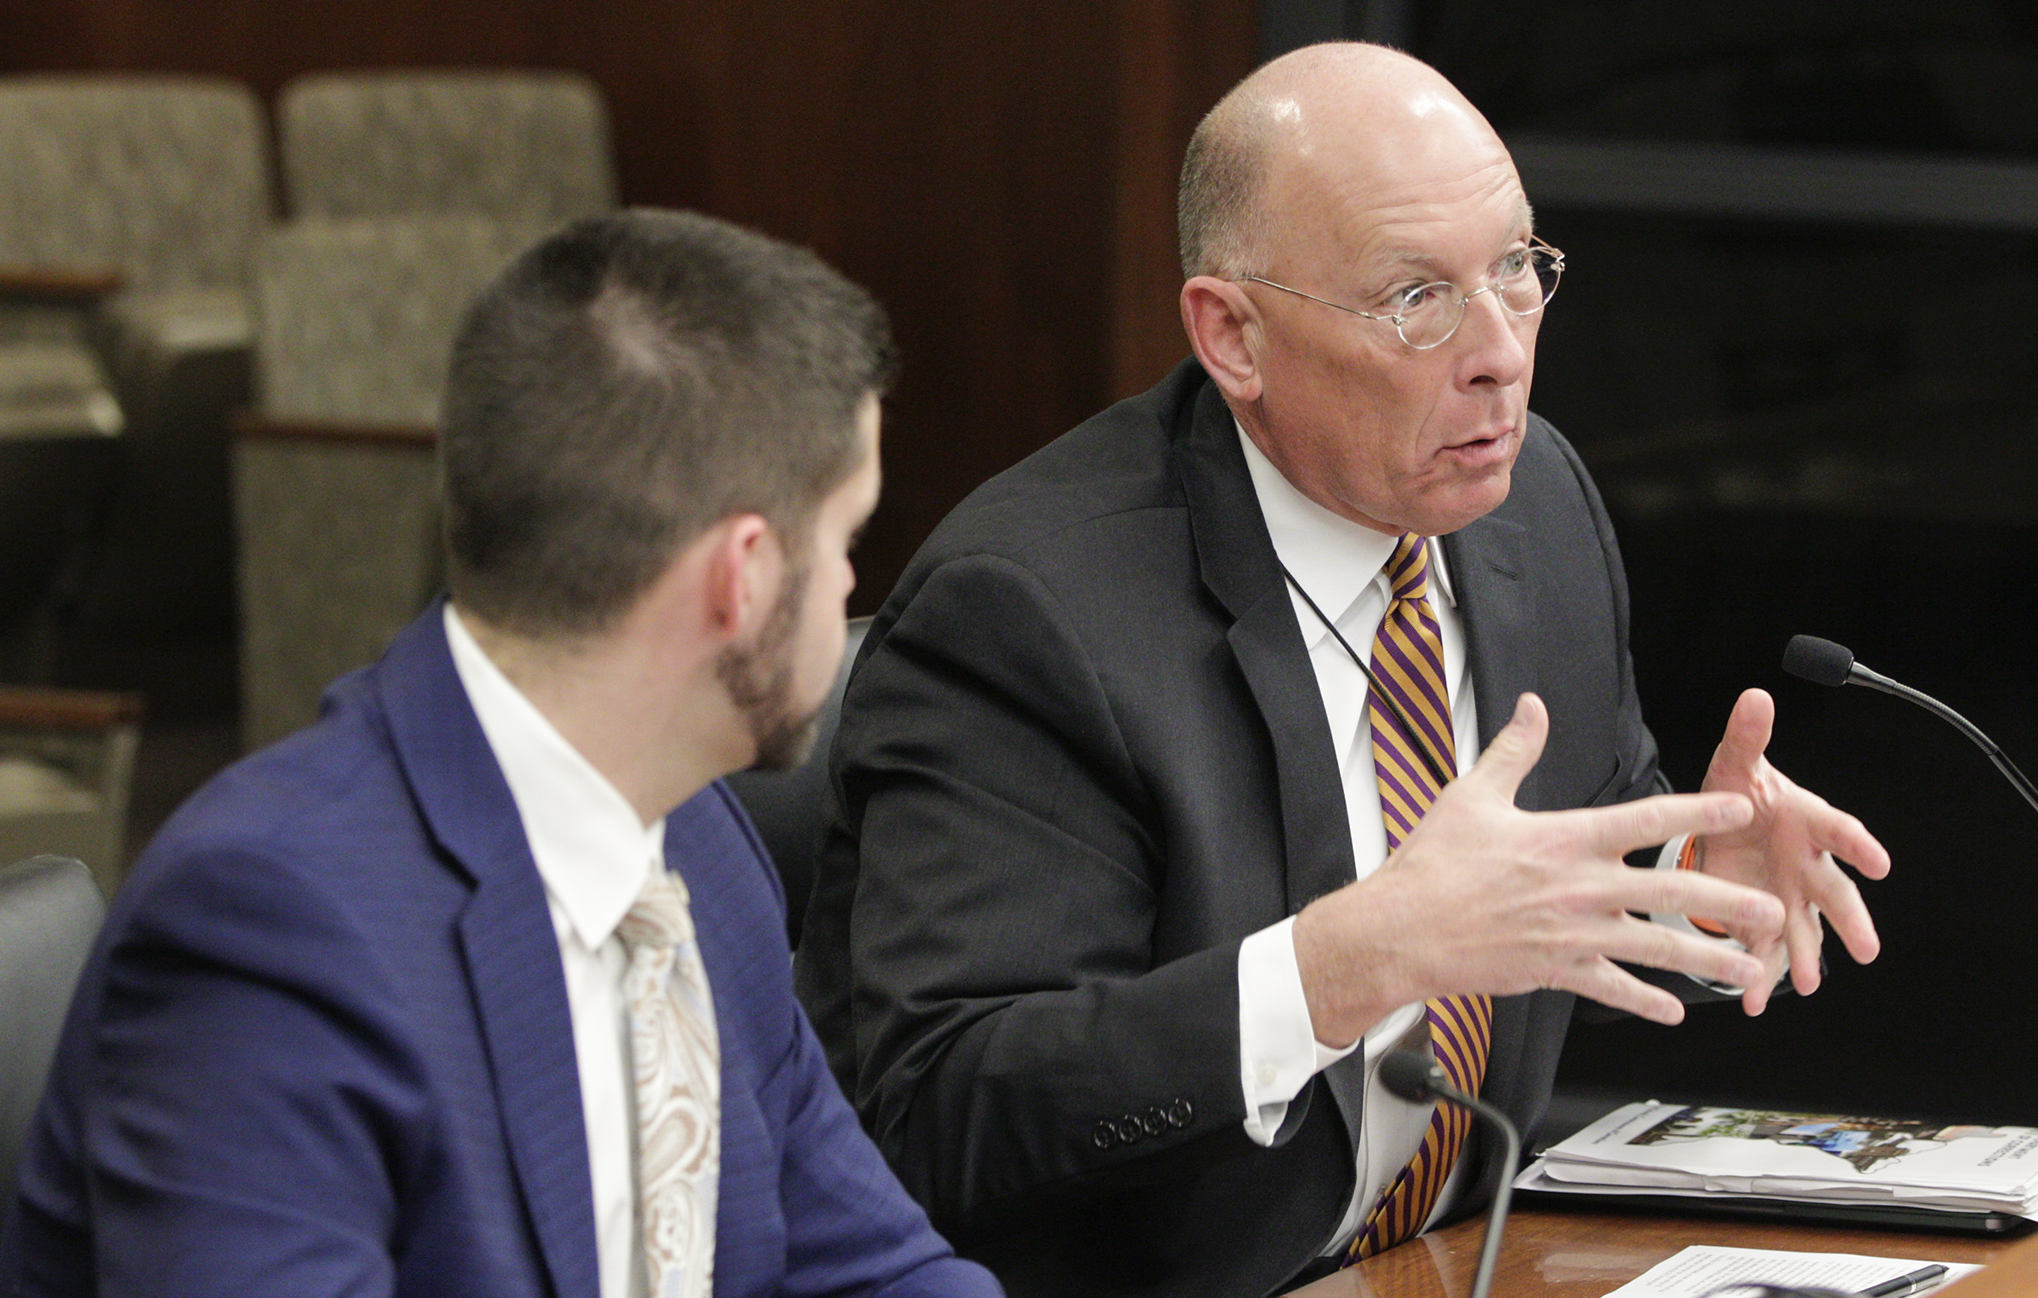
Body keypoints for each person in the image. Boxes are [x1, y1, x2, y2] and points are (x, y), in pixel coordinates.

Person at [794, 43, 1890, 1298]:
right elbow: (942, 1113)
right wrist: (1340, 968)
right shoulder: (1032, 613)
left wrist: (1683, 886)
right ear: (1234, 335)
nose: (1500, 353)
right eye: (1418, 298)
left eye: (1518, 271)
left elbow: (1532, 894)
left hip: (1445, 1264)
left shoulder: (1532, 502)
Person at [0, 210, 1002, 1298]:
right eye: (848, 538)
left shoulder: (697, 840)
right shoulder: (270, 926)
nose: (855, 585)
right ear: (740, 577)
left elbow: (874, 1268)